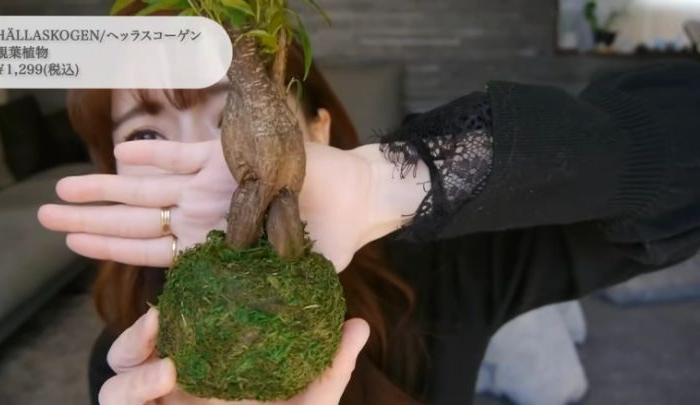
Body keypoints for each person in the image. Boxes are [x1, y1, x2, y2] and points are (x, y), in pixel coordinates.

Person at [40, 54, 700, 405]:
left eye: (233, 118)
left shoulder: (450, 268)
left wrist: (390, 178)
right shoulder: (133, 365)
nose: (210, 160)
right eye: (146, 133)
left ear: (318, 130)